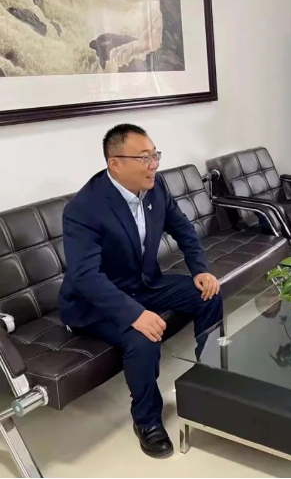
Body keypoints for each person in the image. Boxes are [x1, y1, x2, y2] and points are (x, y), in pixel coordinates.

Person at [59, 124, 223, 458]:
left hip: (143, 284)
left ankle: (212, 382)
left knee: (208, 295)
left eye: (155, 155)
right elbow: (86, 276)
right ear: (115, 164)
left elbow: (183, 230)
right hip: (95, 303)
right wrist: (135, 315)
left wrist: (200, 270)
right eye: (144, 158)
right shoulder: (84, 208)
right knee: (143, 336)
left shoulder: (155, 187)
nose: (154, 165)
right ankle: (147, 420)